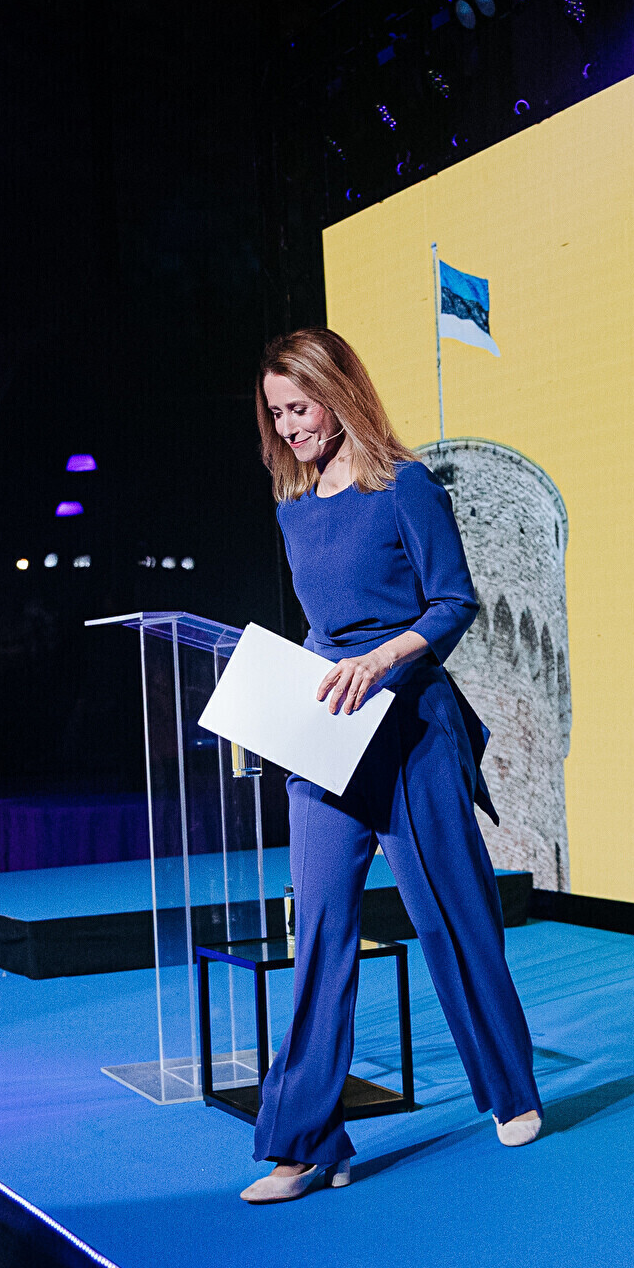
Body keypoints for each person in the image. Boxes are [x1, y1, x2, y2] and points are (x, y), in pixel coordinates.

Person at [241, 327, 544, 1203]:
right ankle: (305, 1144)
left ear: (338, 393)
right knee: (319, 933)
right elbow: (323, 628)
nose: (290, 427)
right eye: (276, 414)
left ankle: (512, 1092)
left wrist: (383, 659)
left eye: (300, 407)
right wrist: (277, 699)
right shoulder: (293, 508)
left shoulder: (404, 486)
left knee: (454, 919)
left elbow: (453, 601)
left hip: (412, 727)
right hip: (328, 738)